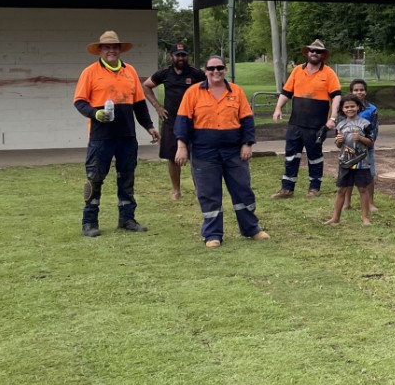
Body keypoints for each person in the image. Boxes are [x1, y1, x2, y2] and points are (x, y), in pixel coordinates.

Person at [173, 56, 270, 248]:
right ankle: (212, 234)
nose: (215, 71)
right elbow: (182, 121)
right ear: (205, 70)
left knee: (243, 190)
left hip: (234, 152)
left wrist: (247, 144)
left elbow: (247, 121)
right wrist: (181, 147)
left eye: (219, 68)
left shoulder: (236, 91)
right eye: (211, 68)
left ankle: (252, 228)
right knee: (209, 193)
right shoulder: (193, 92)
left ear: (225, 70)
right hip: (204, 152)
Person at [73, 30, 159, 238]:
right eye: (107, 47)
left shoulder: (130, 71)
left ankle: (127, 219)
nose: (111, 50)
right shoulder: (90, 72)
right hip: (101, 136)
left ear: (120, 50)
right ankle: (89, 222)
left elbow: (139, 104)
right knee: (95, 178)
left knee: (127, 178)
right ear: (100, 50)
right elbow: (80, 101)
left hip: (127, 136)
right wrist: (95, 113)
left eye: (115, 47)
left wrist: (149, 126)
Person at [271, 39, 341, 199]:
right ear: (307, 53)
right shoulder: (297, 71)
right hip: (295, 123)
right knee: (291, 155)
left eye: (318, 51)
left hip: (316, 125)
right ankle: (287, 188)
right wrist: (278, 108)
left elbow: (336, 96)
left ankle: (314, 188)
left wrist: (333, 118)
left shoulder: (329, 73)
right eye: (312, 50)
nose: (314, 53)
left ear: (323, 55)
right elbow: (286, 92)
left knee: (314, 156)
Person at [143, 43, 198, 200]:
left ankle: (198, 190)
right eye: (177, 55)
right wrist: (157, 106)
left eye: (183, 55)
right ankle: (176, 191)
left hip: (193, 121)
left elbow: (209, 86)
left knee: (197, 155)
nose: (181, 58)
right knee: (172, 157)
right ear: (171, 57)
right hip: (171, 121)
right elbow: (146, 86)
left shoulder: (195, 73)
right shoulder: (164, 73)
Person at [327, 97, 374, 225]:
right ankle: (335, 217)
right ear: (342, 109)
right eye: (346, 107)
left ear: (358, 107)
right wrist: (339, 141)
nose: (350, 109)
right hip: (345, 162)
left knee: (363, 189)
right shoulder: (340, 125)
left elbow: (371, 142)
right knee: (341, 190)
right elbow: (337, 144)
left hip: (362, 163)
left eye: (352, 106)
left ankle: (365, 217)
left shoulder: (365, 124)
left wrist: (361, 138)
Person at [347, 79, 379, 212]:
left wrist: (369, 141)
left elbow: (374, 129)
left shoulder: (372, 109)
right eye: (356, 90)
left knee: (369, 174)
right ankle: (346, 202)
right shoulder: (346, 107)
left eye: (361, 90)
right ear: (351, 92)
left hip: (367, 147)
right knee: (348, 174)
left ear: (365, 92)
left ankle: (370, 203)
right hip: (348, 148)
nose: (359, 92)